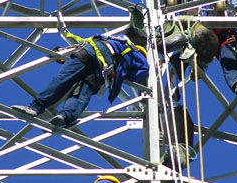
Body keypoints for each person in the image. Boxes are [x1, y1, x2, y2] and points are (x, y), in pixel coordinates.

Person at [12, 33, 149, 127]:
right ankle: (65, 116)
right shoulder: (139, 56)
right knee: (83, 90)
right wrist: (124, 72)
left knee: (63, 79)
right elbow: (141, 73)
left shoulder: (115, 38)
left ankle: (35, 108)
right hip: (105, 66)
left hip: (88, 51)